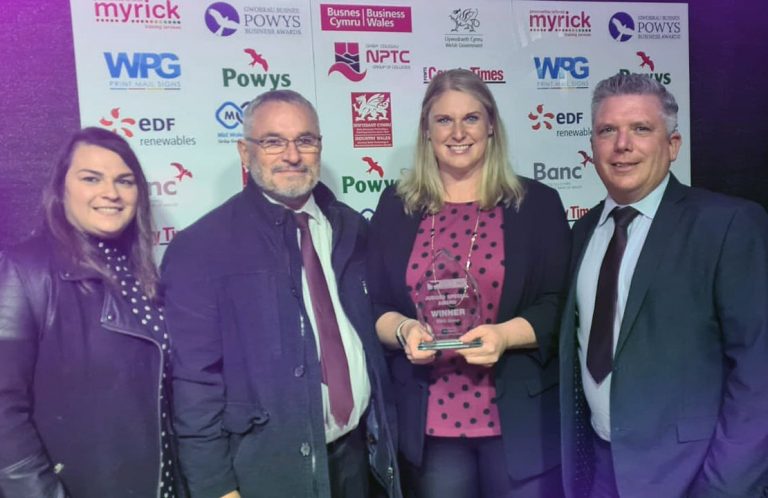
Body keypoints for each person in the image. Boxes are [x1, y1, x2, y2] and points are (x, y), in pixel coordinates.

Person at [161, 89, 400, 498]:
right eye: (273, 141)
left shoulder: (351, 230)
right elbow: (193, 384)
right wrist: (216, 488)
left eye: (305, 140)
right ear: (244, 151)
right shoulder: (201, 248)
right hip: (265, 473)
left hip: (359, 459)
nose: (292, 155)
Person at [559, 72, 768, 498]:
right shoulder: (581, 234)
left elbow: (758, 373)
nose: (622, 144)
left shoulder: (726, 225)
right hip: (598, 473)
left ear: (672, 145)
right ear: (591, 148)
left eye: (641, 129)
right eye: (607, 131)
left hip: (691, 480)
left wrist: (723, 487)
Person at [367, 69, 571, 498]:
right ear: (426, 129)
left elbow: (559, 305)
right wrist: (404, 331)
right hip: (430, 422)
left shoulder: (536, 204)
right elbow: (376, 308)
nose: (458, 133)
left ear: (491, 124)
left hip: (519, 418)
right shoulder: (395, 207)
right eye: (444, 120)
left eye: (471, 119)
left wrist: (503, 335)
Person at [0, 127, 183, 497]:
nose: (111, 193)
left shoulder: (142, 273)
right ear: (61, 188)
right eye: (91, 178)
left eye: (124, 181)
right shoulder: (24, 271)